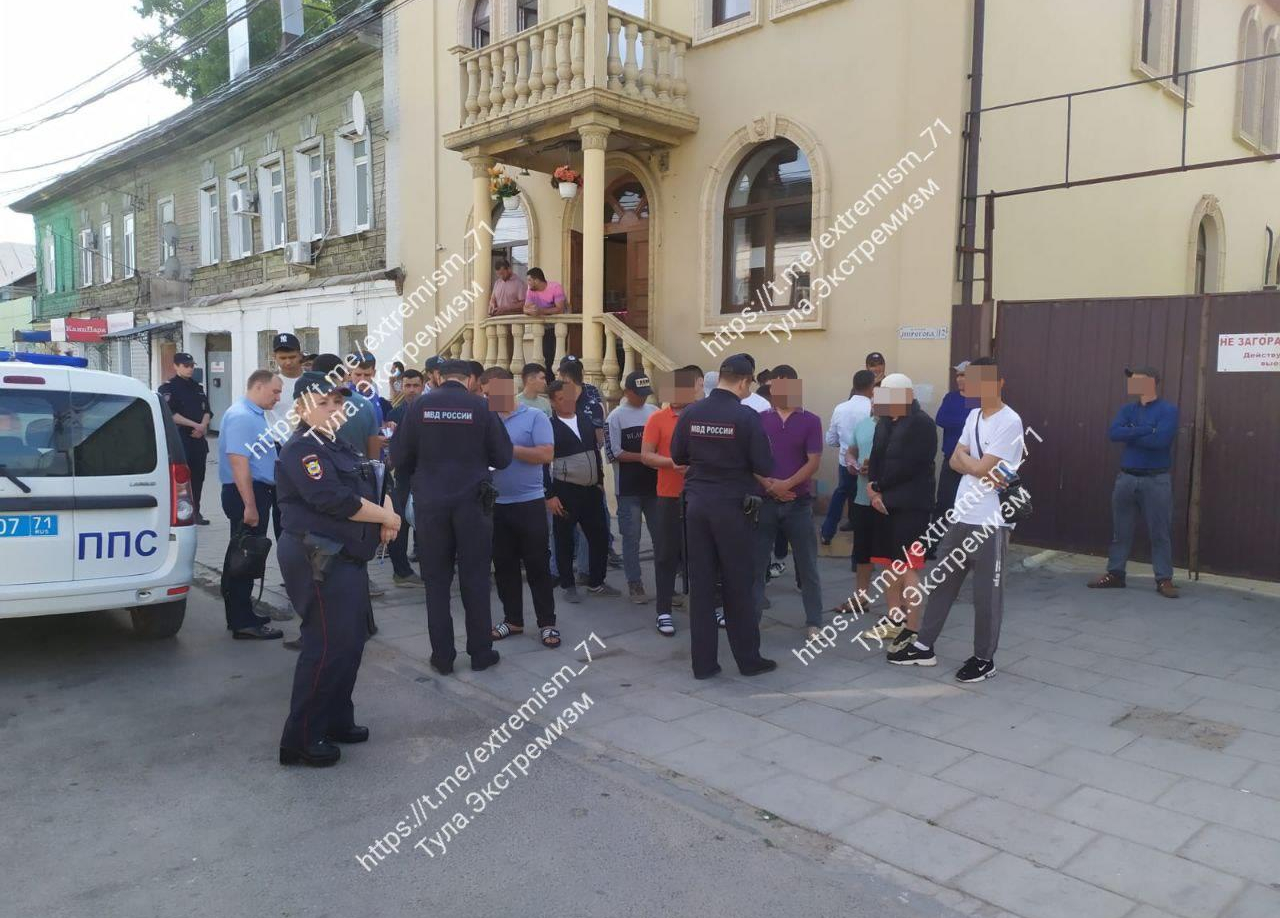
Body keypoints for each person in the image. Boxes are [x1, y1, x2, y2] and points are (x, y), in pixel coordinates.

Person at [276, 373, 402, 767]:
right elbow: (334, 499)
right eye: (323, 403)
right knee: (326, 645)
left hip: (346, 557)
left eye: (337, 402)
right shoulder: (302, 450)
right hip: (319, 559)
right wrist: (387, 516)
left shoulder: (335, 443)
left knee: (350, 642)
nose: (333, 410)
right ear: (300, 408)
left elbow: (372, 480)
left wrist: (388, 511)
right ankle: (301, 738)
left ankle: (334, 720)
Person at [888, 357, 1025, 682]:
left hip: (991, 522)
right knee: (941, 585)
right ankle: (923, 645)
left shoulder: (1010, 421)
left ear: (999, 382)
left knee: (986, 595)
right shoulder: (974, 416)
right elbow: (954, 460)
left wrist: (971, 462)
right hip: (962, 514)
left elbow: (976, 467)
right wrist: (973, 463)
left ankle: (983, 658)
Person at [391, 359, 513, 674]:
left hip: (431, 505)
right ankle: (481, 653)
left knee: (436, 582)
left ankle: (443, 657)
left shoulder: (419, 407)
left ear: (437, 377)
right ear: (470, 378)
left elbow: (399, 456)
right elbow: (503, 457)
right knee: (475, 579)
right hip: (473, 504)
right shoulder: (482, 407)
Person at [671, 354, 777, 680]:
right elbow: (765, 466)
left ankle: (703, 665)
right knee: (737, 585)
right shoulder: (745, 417)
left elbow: (677, 456)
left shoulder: (692, 411)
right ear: (744, 381)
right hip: (732, 508)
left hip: (697, 506)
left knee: (701, 586)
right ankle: (748, 660)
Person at [483, 368, 560, 648]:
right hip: (496, 505)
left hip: (529, 503)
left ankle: (547, 623)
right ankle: (512, 620)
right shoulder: (486, 420)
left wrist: (508, 448)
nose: (491, 397)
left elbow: (545, 454)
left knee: (537, 565)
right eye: (487, 394)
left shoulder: (535, 416)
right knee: (503, 566)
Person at [1088, 366, 1180, 598]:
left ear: (1151, 382)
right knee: (1121, 531)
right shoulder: (1127, 409)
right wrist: (1146, 429)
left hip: (1156, 479)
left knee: (1160, 532)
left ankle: (1164, 579)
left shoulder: (1168, 410)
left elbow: (1161, 440)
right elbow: (1114, 433)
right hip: (1126, 478)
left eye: (1137, 380)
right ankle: (1116, 574)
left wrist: (1133, 432)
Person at [863, 373, 937, 652]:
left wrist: (880, 487)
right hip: (882, 504)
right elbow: (877, 457)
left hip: (911, 506)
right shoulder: (884, 422)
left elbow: (914, 465)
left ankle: (913, 628)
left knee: (908, 567)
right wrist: (872, 489)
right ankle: (895, 618)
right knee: (888, 566)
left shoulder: (922, 424)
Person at [753, 365, 825, 638]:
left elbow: (814, 460)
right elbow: (750, 460)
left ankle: (814, 621)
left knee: (807, 565)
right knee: (757, 564)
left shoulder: (811, 420)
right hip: (765, 500)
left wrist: (786, 485)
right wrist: (768, 484)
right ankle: (754, 616)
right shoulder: (759, 420)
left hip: (799, 502)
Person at [218, 370, 285, 640]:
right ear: (258, 386)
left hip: (256, 490)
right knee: (246, 556)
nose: (278, 398)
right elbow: (239, 462)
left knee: (242, 554)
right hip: (247, 491)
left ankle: (240, 613)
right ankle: (243, 621)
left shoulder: (255, 414)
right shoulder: (242, 417)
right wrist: (250, 504)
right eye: (275, 392)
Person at [546, 380, 619, 601]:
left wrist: (600, 480)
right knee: (564, 539)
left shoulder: (586, 420)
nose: (567, 402)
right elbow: (542, 463)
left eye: (569, 397)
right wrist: (549, 495)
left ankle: (596, 582)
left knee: (598, 537)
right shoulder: (549, 425)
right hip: (564, 490)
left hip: (591, 490)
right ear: (552, 401)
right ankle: (568, 585)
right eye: (561, 398)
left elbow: (596, 453)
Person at [641, 368, 699, 636]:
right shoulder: (657, 419)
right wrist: (673, 464)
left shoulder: (702, 415)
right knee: (665, 554)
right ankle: (663, 610)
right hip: (668, 496)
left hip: (700, 496)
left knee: (702, 555)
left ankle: (709, 607)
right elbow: (646, 457)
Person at [607, 371, 660, 603]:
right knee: (631, 537)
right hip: (628, 488)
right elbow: (614, 453)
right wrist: (645, 457)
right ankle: (634, 582)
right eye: (638, 394)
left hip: (655, 487)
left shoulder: (654, 413)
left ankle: (665, 583)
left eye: (645, 394)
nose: (643, 398)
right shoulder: (616, 417)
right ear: (627, 392)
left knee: (661, 537)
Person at [820, 369, 876, 545]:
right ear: (872, 387)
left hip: (845, 461)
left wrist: (844, 446)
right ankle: (863, 545)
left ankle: (827, 532)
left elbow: (830, 439)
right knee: (866, 502)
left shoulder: (840, 408)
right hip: (868, 464)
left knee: (842, 493)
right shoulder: (873, 408)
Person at [158, 353, 212, 525]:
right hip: (180, 439)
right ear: (176, 366)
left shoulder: (197, 387)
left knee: (198, 477)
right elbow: (171, 414)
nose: (189, 369)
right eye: (185, 365)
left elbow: (207, 411)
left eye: (191, 365)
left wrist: (202, 427)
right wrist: (195, 425)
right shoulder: (168, 388)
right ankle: (180, 512)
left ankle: (196, 511)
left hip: (198, 440)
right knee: (180, 479)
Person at [930, 360, 979, 555]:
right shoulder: (950, 398)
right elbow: (941, 419)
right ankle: (931, 544)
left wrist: (962, 423)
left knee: (971, 505)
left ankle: (968, 548)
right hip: (952, 460)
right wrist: (967, 423)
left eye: (964, 375)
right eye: (958, 375)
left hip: (975, 463)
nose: (959, 379)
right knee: (944, 503)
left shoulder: (981, 399)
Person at [385, 369, 425, 587]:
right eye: (407, 385)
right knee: (399, 524)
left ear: (423, 386)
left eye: (415, 385)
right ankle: (401, 571)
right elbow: (390, 449)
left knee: (428, 524)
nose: (411, 390)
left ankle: (429, 566)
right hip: (403, 477)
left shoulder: (430, 411)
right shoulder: (394, 415)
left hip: (428, 476)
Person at [311, 354, 382, 459]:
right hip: (356, 469)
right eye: (358, 374)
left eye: (366, 375)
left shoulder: (307, 407)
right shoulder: (365, 404)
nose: (362, 379)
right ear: (346, 374)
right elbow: (374, 455)